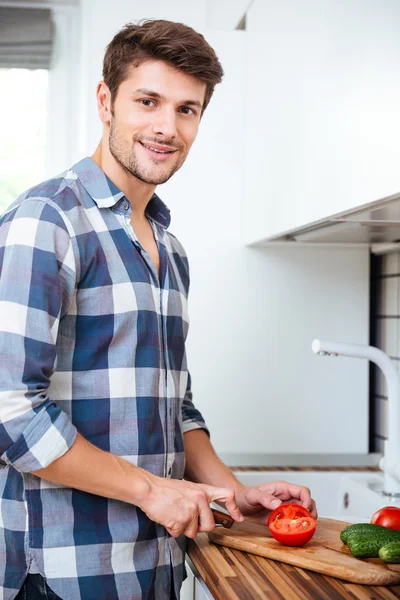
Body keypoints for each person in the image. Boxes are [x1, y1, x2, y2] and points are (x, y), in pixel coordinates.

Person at [0, 19, 317, 600]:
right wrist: (152, 492)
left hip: (156, 565)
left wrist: (230, 494)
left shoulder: (168, 248)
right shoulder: (47, 220)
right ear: (106, 100)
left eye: (187, 109)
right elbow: (10, 409)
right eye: (148, 101)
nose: (167, 127)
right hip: (65, 573)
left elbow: (176, 405)